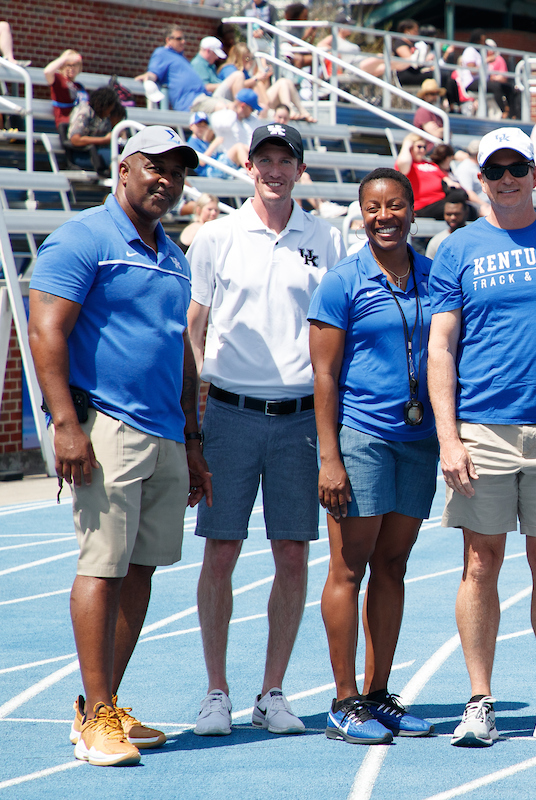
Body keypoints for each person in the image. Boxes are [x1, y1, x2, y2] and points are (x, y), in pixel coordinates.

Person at [28, 126, 210, 767]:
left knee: (141, 570)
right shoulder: (82, 238)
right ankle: (96, 713)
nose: (167, 180)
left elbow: (179, 353)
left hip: (164, 432)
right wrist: (65, 424)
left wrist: (192, 439)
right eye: (155, 167)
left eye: (177, 172)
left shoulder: (173, 254)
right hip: (106, 428)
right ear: (123, 168)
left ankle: (101, 706)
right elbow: (46, 330)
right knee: (102, 566)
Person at [427, 127, 536, 749]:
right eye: (494, 171)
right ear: (482, 180)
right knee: (480, 562)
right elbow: (441, 345)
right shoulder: (458, 247)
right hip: (483, 426)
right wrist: (450, 436)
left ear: (534, 169)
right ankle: (481, 700)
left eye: (516, 167)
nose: (506, 179)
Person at [188, 124, 346, 737]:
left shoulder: (327, 238)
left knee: (290, 552)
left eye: (286, 159)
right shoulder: (217, 237)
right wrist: (201, 402)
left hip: (301, 418)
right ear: (249, 167)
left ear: (300, 170)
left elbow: (338, 326)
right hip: (229, 413)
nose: (275, 169)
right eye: (265, 159)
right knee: (221, 550)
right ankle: (216, 691)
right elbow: (194, 327)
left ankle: (272, 691)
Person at [309, 169, 437, 745]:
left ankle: (378, 692)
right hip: (361, 439)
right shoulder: (342, 282)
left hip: (419, 442)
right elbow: (324, 376)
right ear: (361, 214)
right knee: (349, 568)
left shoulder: (434, 277)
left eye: (395, 206)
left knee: (393, 566)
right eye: (373, 208)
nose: (384, 216)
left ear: (412, 211)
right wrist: (329, 457)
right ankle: (343, 701)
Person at [136, 27, 223, 114]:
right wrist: (148, 76)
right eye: (179, 39)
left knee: (232, 107)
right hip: (190, 103)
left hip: (203, 97)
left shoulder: (180, 57)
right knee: (223, 108)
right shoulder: (162, 53)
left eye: (184, 38)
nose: (183, 41)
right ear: (168, 40)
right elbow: (153, 73)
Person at [395, 133, 467, 219]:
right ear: (411, 147)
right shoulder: (407, 164)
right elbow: (403, 161)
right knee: (460, 209)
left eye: (424, 147)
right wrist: (407, 144)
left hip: (442, 199)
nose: (422, 150)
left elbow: (446, 179)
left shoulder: (431, 164)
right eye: (419, 147)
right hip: (423, 205)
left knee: (465, 204)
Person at [65, 86, 125, 175]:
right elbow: (75, 139)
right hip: (84, 153)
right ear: (104, 105)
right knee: (120, 164)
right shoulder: (84, 112)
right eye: (109, 108)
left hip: (103, 151)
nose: (109, 112)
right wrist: (104, 140)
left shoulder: (103, 116)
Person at [43, 49, 84, 143]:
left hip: (79, 124)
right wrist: (65, 58)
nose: (72, 68)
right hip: (65, 124)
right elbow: (47, 72)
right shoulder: (58, 79)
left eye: (75, 65)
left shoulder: (79, 86)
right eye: (68, 65)